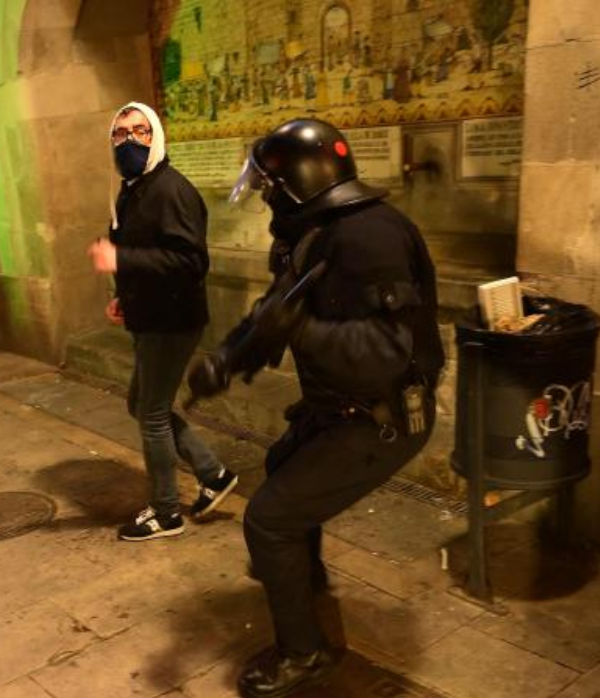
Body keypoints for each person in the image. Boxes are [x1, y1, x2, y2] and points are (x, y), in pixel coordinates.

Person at [186, 119, 445, 697]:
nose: (264, 196)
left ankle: (303, 654)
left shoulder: (369, 236)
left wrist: (302, 326)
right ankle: (307, 582)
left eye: (268, 187)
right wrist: (226, 360)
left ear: (296, 183)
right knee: (282, 468)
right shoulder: (318, 232)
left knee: (269, 519)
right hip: (341, 406)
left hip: (384, 416)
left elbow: (385, 354)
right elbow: (276, 311)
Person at [87, 101, 237, 542]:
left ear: (156, 136)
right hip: (149, 314)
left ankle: (166, 511)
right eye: (120, 133)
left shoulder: (171, 189)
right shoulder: (135, 188)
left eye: (140, 131)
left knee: (151, 413)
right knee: (142, 404)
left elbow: (190, 261)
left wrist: (121, 257)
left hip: (172, 320)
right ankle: (213, 473)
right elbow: (146, 254)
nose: (129, 140)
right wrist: (124, 297)